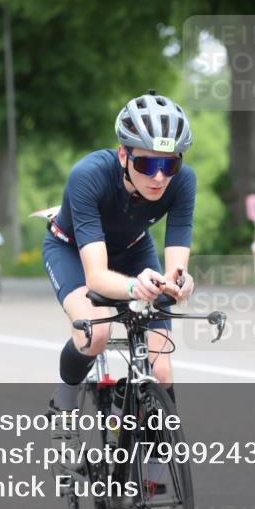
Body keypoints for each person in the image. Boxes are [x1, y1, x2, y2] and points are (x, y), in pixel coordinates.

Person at [42, 90, 196, 437]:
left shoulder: (182, 182)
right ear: (123, 154)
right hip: (71, 251)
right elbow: (96, 277)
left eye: (169, 164)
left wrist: (180, 283)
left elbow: (177, 269)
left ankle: (155, 474)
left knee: (161, 372)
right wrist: (132, 287)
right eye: (147, 164)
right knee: (94, 332)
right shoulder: (88, 175)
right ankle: (64, 397)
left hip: (132, 250)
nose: (159, 177)